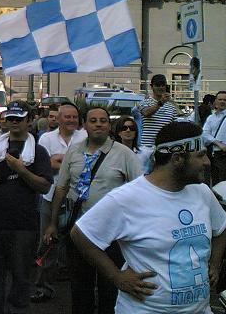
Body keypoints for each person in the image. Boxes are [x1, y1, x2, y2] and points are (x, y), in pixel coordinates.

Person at [71, 121, 226, 314]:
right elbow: (81, 234)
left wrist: (214, 264)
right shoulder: (127, 198)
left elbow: (221, 228)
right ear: (177, 159)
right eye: (201, 155)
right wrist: (116, 277)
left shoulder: (202, 192)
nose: (207, 162)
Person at [43, 107, 141, 314]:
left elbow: (139, 190)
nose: (98, 124)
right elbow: (61, 188)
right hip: (78, 230)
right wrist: (52, 224)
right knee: (80, 286)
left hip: (112, 233)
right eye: (93, 120)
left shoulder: (124, 153)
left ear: (109, 125)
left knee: (109, 287)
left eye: (103, 121)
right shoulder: (74, 151)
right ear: (84, 125)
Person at [0, 100, 53, 314]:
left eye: (19, 119)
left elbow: (45, 186)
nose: (14, 122)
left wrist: (21, 170)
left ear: (29, 121)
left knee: (21, 277)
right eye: (11, 118)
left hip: (23, 225)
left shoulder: (38, 152)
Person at [32, 102, 87, 302]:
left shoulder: (85, 136)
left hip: (79, 198)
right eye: (67, 117)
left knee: (80, 243)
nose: (71, 120)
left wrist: (58, 160)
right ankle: (43, 287)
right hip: (50, 196)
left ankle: (80, 287)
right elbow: (43, 165)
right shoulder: (46, 138)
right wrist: (71, 162)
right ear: (59, 118)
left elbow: (86, 165)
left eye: (74, 117)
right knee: (47, 242)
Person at [139, 74, 179, 173]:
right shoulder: (144, 102)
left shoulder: (171, 106)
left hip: (164, 149)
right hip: (147, 148)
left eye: (163, 85)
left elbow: (175, 126)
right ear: (152, 87)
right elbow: (146, 113)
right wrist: (160, 103)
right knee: (143, 176)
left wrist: (172, 102)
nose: (161, 87)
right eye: (157, 85)